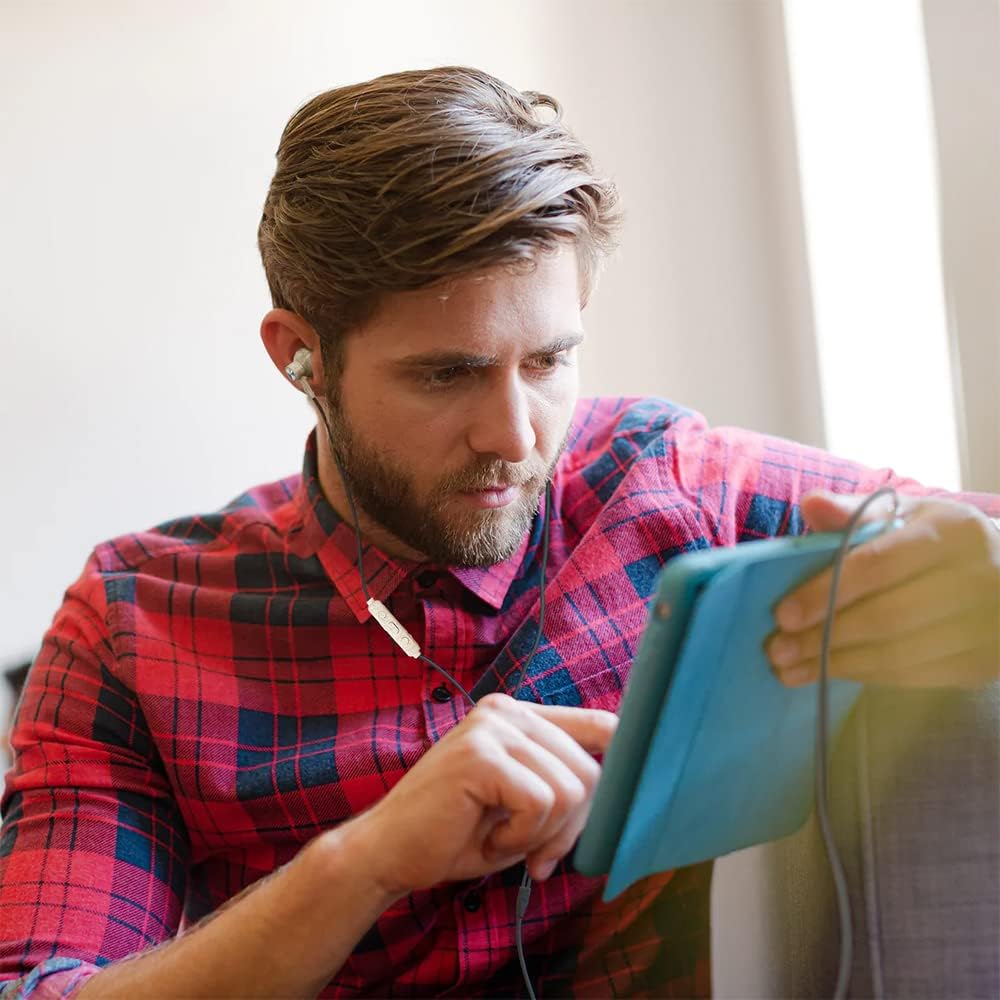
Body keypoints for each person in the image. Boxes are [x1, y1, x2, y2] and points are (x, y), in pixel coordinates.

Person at [1, 66, 997, 1000]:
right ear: (301, 355)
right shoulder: (134, 624)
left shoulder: (666, 483)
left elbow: (972, 544)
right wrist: (363, 862)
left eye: (548, 362)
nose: (516, 437)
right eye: (448, 373)